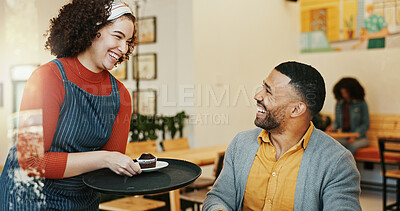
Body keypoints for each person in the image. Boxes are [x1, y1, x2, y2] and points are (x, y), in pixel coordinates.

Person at [0, 0, 141, 210]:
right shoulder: (46, 78)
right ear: (93, 29)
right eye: (118, 37)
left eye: (128, 42)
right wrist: (104, 158)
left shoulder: (121, 95)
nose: (123, 48)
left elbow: (109, 167)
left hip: (81, 200)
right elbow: (30, 161)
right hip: (29, 199)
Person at [203, 62, 361, 211]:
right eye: (262, 87)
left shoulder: (337, 162)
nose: (258, 95)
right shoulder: (241, 144)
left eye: (268, 92)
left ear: (296, 109)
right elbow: (219, 197)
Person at [327, 77, 369, 154]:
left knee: (351, 146)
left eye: (346, 93)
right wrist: (332, 127)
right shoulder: (339, 104)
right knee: (333, 146)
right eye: (342, 93)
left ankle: (348, 166)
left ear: (352, 92)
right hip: (344, 136)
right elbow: (337, 122)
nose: (344, 95)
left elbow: (365, 124)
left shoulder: (361, 103)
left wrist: (354, 136)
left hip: (360, 138)